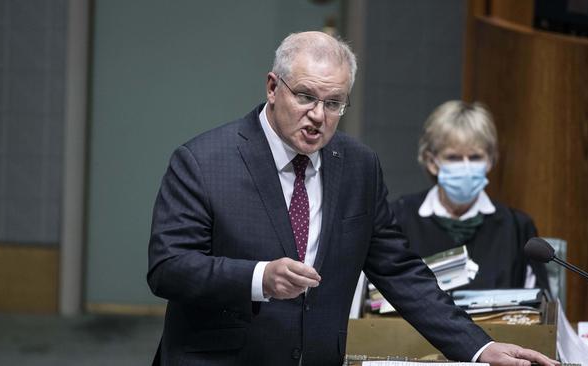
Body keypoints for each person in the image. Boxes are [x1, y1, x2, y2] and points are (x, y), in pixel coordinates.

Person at [147, 31, 558, 365]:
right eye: (305, 97)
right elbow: (168, 267)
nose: (318, 116)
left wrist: (478, 347)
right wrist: (258, 278)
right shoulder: (203, 160)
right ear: (273, 87)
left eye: (334, 104)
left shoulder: (358, 166)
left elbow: (399, 271)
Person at [391, 101, 550, 292]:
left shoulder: (517, 228)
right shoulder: (398, 219)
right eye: (454, 158)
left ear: (490, 160)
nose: (466, 167)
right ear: (431, 161)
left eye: (475, 157)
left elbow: (537, 308)